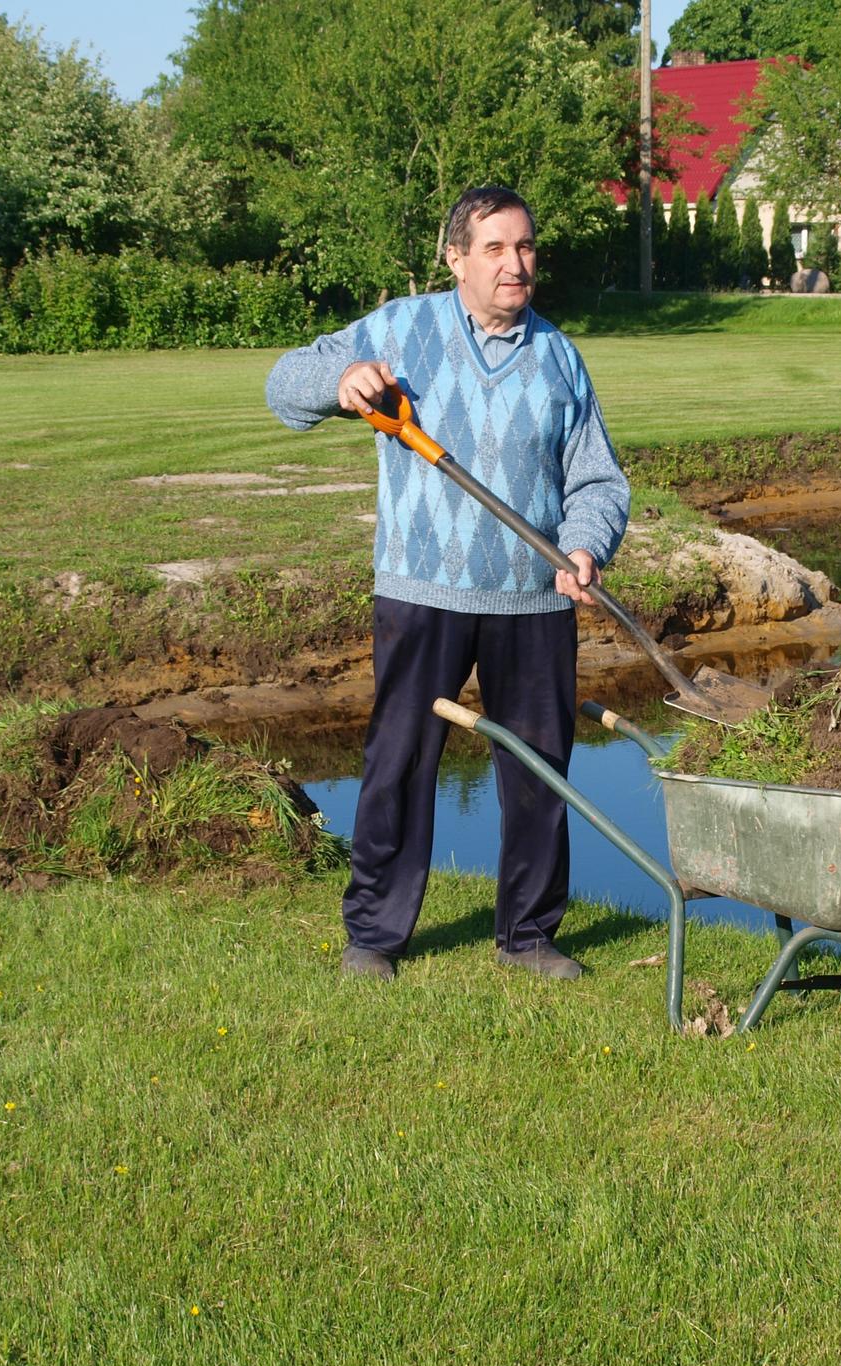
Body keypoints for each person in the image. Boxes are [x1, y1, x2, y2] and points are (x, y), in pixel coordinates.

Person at [265, 185, 630, 983]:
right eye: (495, 248)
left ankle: (529, 936)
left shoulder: (559, 356)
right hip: (421, 591)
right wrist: (342, 382)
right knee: (398, 763)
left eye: (526, 247)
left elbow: (598, 481)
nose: (515, 264)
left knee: (539, 771)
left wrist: (585, 545)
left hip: (534, 597)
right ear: (456, 258)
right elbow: (283, 385)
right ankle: (375, 937)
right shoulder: (402, 328)